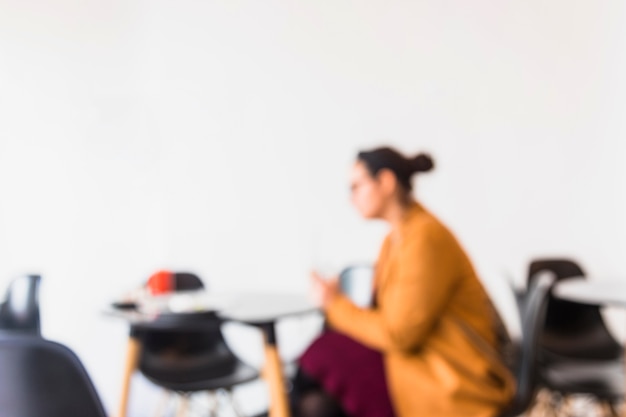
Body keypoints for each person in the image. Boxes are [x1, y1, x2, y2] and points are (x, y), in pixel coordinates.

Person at [291, 147, 515, 417]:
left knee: (321, 357)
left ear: (385, 182)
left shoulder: (425, 238)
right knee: (315, 397)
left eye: (357, 186)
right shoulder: (396, 239)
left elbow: (399, 335)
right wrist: (337, 300)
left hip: (447, 377)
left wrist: (335, 305)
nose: (351, 198)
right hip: (413, 364)